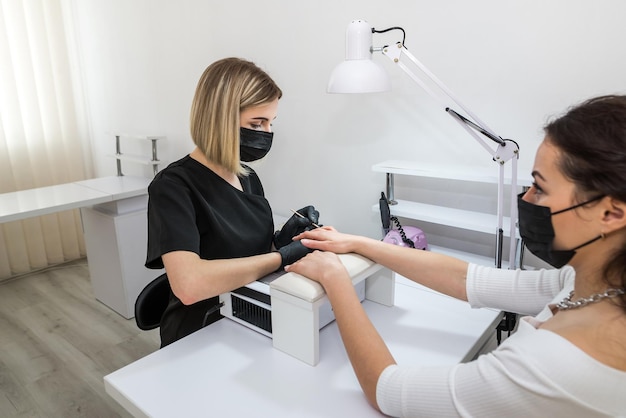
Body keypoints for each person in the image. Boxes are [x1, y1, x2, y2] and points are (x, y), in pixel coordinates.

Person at [285, 95, 626, 417]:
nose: (528, 199)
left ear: (611, 213)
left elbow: (386, 390)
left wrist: (336, 280)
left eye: (541, 188)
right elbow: (467, 279)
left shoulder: (557, 366)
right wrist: (358, 243)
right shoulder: (589, 284)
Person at [145, 57, 318, 347]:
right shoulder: (173, 187)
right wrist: (282, 256)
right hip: (201, 330)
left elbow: (248, 255)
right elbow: (190, 285)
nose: (267, 134)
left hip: (251, 315)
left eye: (271, 123)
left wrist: (283, 240)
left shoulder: (247, 177)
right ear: (220, 118)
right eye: (257, 122)